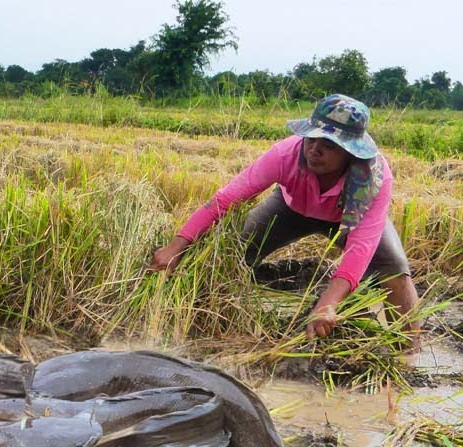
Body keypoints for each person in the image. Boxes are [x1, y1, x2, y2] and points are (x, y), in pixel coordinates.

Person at [148, 94, 421, 345]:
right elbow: (225, 200)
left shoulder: (374, 179)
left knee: (394, 268)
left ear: (350, 152)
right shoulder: (286, 154)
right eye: (311, 139)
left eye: (328, 146)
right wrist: (175, 246)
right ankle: (197, 323)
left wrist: (328, 303)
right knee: (232, 251)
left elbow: (361, 247)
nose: (314, 150)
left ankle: (410, 348)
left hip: (350, 216)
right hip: (291, 208)